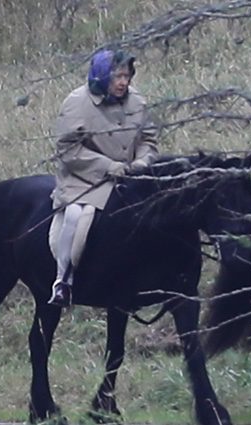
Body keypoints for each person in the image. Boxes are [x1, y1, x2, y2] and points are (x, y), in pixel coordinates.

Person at [47, 49, 158, 307]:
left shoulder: (137, 101)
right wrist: (108, 166)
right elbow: (67, 149)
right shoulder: (76, 102)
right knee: (76, 217)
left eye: (127, 76)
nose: (123, 82)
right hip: (84, 179)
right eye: (117, 76)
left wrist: (142, 162)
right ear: (102, 76)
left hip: (131, 176)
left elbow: (148, 140)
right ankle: (63, 280)